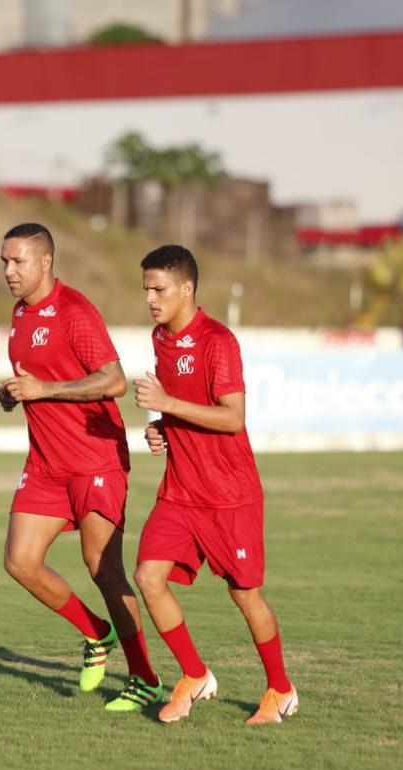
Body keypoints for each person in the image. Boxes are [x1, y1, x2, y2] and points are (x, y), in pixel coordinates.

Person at [0, 222, 161, 712]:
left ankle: (146, 678)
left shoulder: (75, 311)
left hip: (95, 459)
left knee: (103, 569)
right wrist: (11, 394)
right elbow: (39, 377)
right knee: (19, 562)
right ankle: (96, 633)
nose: (8, 271)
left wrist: (45, 391)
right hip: (47, 464)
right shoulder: (20, 314)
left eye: (18, 261)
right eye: (4, 261)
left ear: (45, 262)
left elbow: (113, 381)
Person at [132, 244, 297, 725]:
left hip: (229, 494)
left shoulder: (218, 341)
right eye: (146, 288)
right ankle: (195, 674)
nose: (150, 298)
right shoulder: (160, 339)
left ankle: (281, 690)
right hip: (180, 490)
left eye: (159, 288)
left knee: (245, 595)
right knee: (148, 576)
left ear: (187, 289)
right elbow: (176, 405)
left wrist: (168, 404)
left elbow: (232, 418)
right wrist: (160, 427)